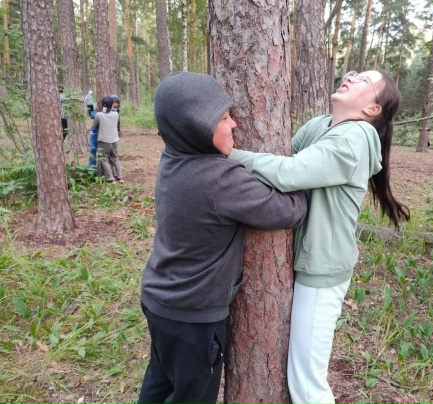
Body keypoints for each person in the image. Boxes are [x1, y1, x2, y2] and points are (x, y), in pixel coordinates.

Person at [229, 69, 410, 404]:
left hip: (322, 271)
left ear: (372, 109)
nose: (351, 77)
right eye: (355, 73)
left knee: (307, 383)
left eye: (364, 81)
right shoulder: (320, 125)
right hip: (306, 260)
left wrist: (227, 154)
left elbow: (287, 173)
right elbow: (281, 161)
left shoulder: (355, 138)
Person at [137, 72, 308, 404]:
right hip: (193, 317)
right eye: (224, 117)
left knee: (160, 383)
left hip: (159, 301)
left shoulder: (174, 155)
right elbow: (287, 211)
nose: (234, 125)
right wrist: (307, 182)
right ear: (196, 126)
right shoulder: (219, 178)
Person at [93, 96, 124, 183]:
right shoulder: (116, 114)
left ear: (102, 105)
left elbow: (95, 125)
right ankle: (120, 177)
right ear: (112, 105)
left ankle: (111, 178)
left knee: (104, 159)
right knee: (115, 158)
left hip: (104, 141)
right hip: (114, 140)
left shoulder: (99, 115)